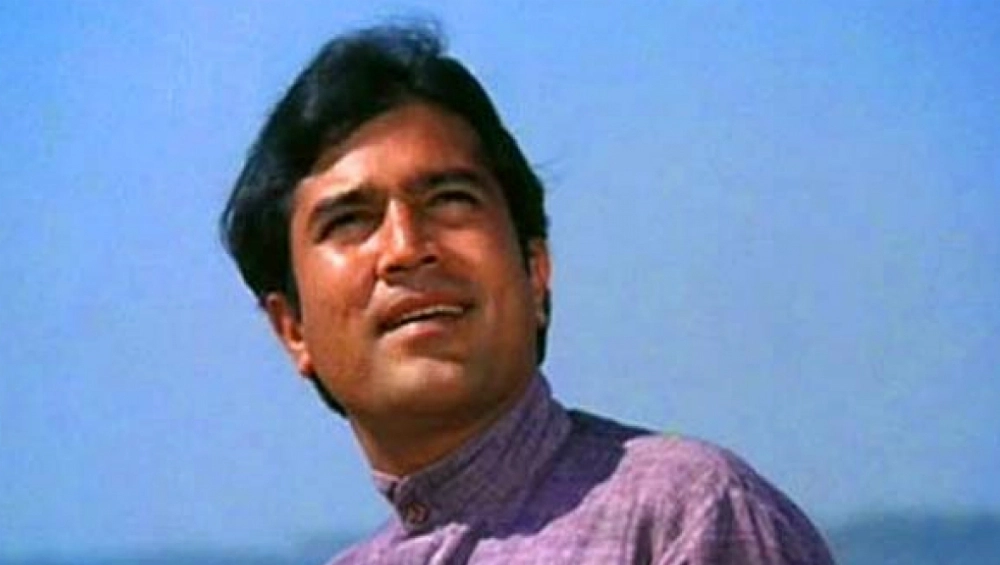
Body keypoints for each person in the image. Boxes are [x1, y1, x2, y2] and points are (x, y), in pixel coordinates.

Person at [220, 23, 836, 565]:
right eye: (350, 220)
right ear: (292, 328)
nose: (406, 247)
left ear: (535, 270)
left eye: (449, 200)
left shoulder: (687, 515)